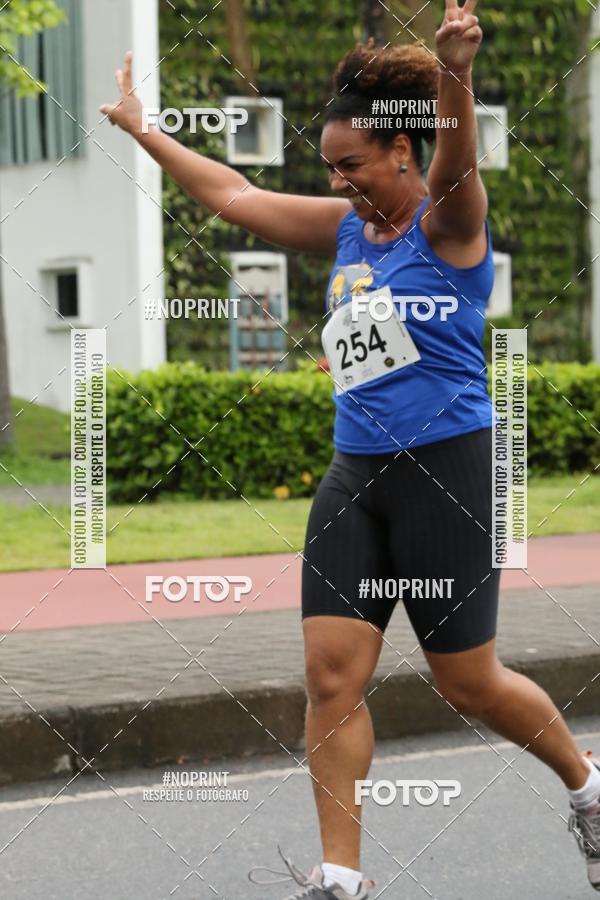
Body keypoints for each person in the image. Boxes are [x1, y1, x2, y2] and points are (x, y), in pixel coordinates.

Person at [101, 1, 600, 896]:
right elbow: (233, 193)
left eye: (352, 165)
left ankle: (590, 786)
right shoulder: (342, 232)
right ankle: (342, 879)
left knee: (469, 684)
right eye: (329, 167)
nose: (338, 183)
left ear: (401, 153)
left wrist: (455, 72)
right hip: (354, 477)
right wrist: (146, 134)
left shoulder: (448, 227)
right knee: (331, 681)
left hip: (447, 474)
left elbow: (460, 162)